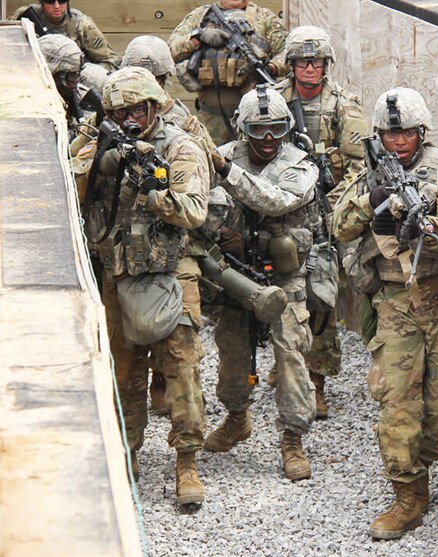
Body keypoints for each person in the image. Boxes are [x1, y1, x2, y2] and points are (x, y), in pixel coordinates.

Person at [332, 87, 438, 539]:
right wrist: (371, 201)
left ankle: (423, 465)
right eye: (390, 134)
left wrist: (427, 224)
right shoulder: (368, 174)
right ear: (379, 135)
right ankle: (408, 495)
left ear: (421, 132)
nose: (399, 142)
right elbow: (338, 225)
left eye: (407, 133)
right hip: (396, 307)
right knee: (396, 404)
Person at [72, 67, 211, 509]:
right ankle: (125, 457)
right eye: (121, 111)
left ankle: (186, 462)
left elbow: (192, 211)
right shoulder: (100, 142)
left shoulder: (180, 146)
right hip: (115, 275)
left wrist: (153, 190)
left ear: (154, 107)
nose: (131, 118)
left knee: (183, 370)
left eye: (138, 109)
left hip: (170, 274)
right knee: (121, 374)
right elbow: (67, 194)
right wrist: (99, 163)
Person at [205, 85, 319, 482]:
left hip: (285, 275)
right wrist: (219, 231)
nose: (268, 140)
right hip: (236, 271)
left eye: (276, 129)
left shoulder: (300, 164)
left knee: (290, 352)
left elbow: (276, 201)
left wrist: (228, 174)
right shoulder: (219, 158)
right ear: (242, 129)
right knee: (231, 349)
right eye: (258, 130)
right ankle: (237, 416)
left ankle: (293, 437)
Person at [272, 25, 368, 418]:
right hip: (281, 210)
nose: (309, 68)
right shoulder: (273, 102)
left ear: (325, 65)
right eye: (302, 61)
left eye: (316, 61)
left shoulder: (344, 106)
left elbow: (360, 167)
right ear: (291, 64)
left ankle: (319, 380)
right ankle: (283, 371)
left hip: (325, 214)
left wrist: (331, 205)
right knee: (278, 293)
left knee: (322, 298)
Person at [120, 34, 218, 416]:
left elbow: (207, 180)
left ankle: (172, 393)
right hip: (126, 243)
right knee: (125, 349)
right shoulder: (115, 117)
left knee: (180, 343)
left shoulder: (186, 129)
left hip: (178, 240)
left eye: (153, 80)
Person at [168, 0, 287, 145]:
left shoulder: (265, 18)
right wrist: (198, 37)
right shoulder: (200, 16)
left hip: (255, 120)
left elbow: (286, 55)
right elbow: (170, 51)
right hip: (210, 119)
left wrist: (270, 68)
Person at [14, 0, 120, 71]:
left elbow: (110, 61)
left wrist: (84, 73)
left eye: (61, 0)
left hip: (73, 79)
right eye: (50, 1)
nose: (56, 6)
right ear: (42, 3)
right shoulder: (27, 17)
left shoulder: (81, 24)